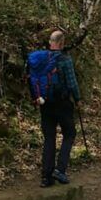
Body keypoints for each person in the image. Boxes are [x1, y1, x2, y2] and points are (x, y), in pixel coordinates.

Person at [29, 30, 82, 188]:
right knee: (70, 133)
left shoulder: (42, 59)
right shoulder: (64, 59)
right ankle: (60, 169)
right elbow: (72, 82)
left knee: (49, 138)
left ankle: (46, 177)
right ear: (62, 43)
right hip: (62, 103)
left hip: (45, 103)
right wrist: (77, 99)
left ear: (50, 42)